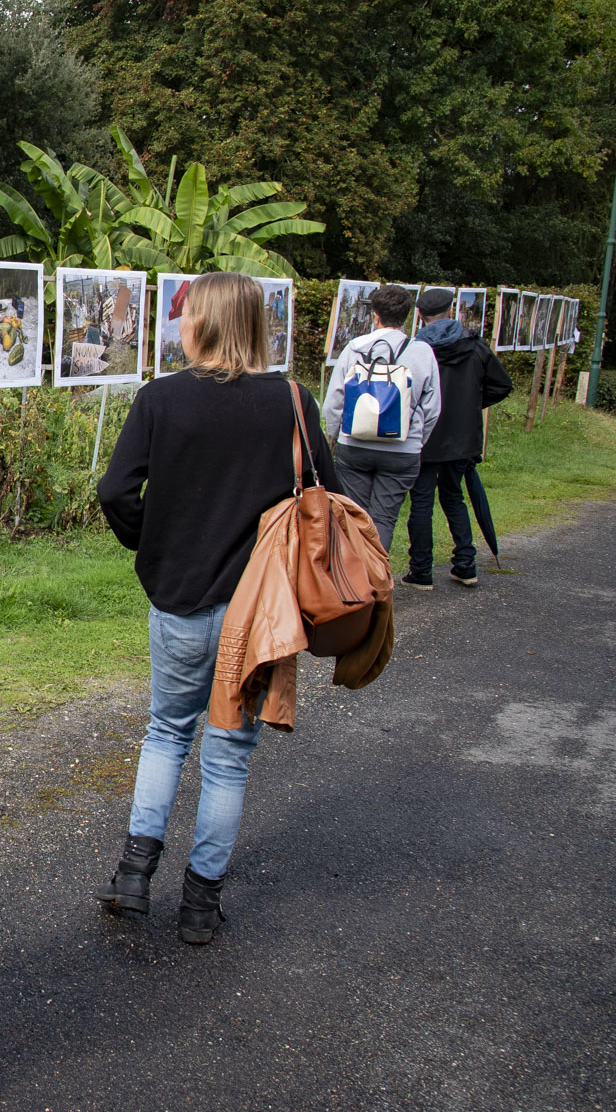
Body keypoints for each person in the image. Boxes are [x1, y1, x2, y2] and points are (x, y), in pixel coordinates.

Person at [94, 273, 342, 944]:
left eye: (185, 316)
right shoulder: (293, 401)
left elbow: (115, 490)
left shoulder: (161, 400)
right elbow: (329, 499)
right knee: (229, 753)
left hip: (179, 597)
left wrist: (157, 541)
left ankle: (134, 877)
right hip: (261, 613)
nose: (178, 327)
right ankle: (201, 905)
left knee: (167, 732)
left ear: (201, 324)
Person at [402, 287, 513, 590]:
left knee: (421, 502)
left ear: (420, 316)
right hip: (462, 436)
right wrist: (472, 403)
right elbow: (502, 384)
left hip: (425, 434)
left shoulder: (416, 350)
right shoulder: (474, 345)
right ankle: (465, 564)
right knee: (453, 497)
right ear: (451, 311)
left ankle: (421, 570)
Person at [322, 283, 441, 550]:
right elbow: (432, 408)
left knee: (354, 516)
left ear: (374, 314)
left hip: (355, 446)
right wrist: (417, 440)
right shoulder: (422, 352)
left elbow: (334, 401)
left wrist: (336, 434)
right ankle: (376, 584)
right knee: (384, 519)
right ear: (408, 315)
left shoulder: (354, 348)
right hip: (402, 449)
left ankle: (353, 583)